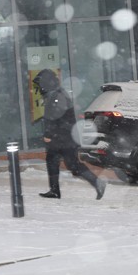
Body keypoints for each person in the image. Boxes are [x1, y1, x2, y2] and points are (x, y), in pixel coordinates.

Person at [33, 69, 106, 200]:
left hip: (62, 137)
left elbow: (55, 117)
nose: (40, 87)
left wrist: (49, 134)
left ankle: (96, 182)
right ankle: (55, 190)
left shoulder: (57, 96)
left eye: (41, 83)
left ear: (47, 82)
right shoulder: (56, 94)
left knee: (71, 165)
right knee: (56, 162)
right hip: (64, 136)